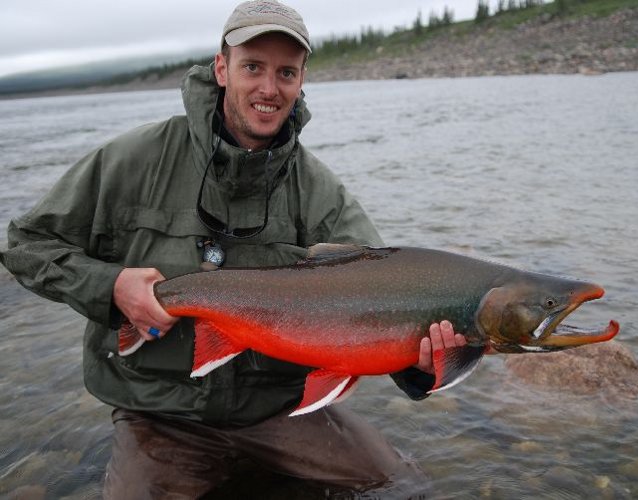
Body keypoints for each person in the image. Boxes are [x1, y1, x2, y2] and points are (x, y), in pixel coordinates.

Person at [0, 1, 467, 497]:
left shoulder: (320, 193)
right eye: (253, 67)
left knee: (401, 487)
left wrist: (421, 367)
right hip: (161, 412)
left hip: (276, 409)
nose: (269, 88)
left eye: (286, 72)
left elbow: (380, 303)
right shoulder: (131, 162)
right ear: (222, 69)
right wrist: (110, 286)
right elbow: (28, 246)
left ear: (302, 79)